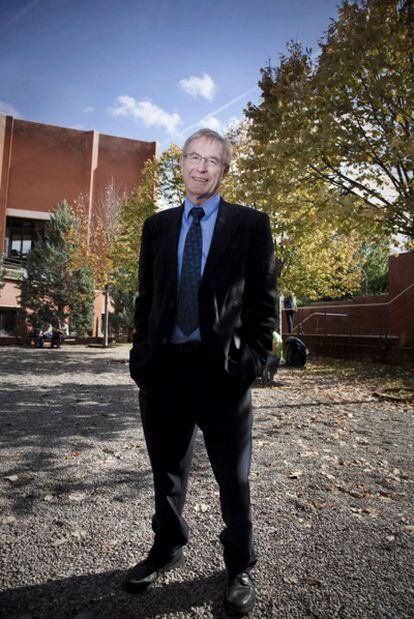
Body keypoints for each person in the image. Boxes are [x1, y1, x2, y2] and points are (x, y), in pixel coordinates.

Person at [128, 128, 276, 616]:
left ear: (224, 170)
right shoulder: (158, 226)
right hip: (164, 372)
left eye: (213, 160)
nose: (201, 167)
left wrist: (249, 362)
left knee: (234, 478)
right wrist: (141, 354)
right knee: (166, 471)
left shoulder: (251, 225)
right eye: (193, 156)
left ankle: (239, 565)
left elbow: (263, 304)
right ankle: (167, 546)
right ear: (182, 164)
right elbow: (146, 296)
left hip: (223, 375)